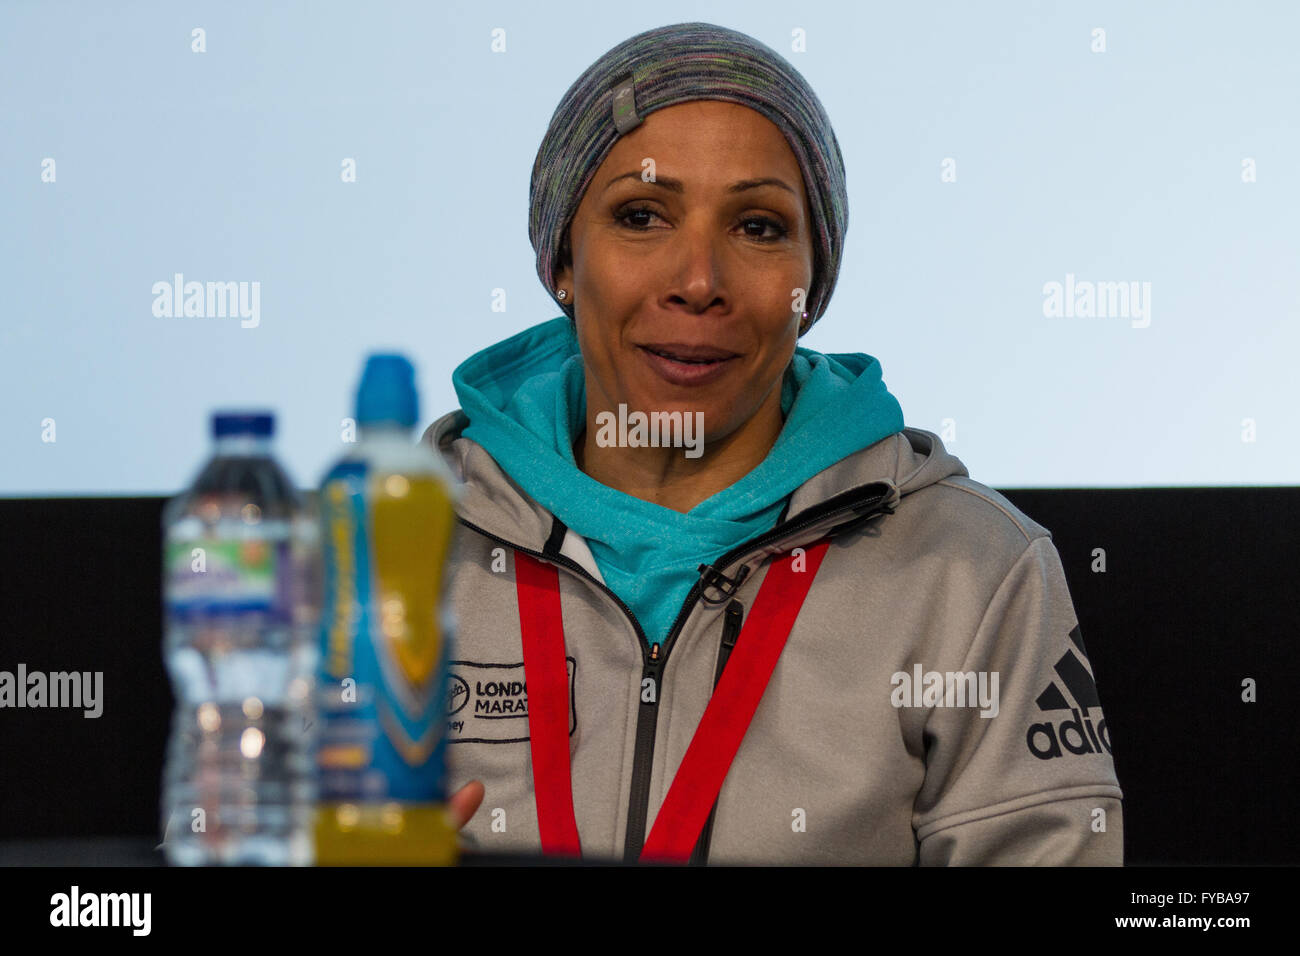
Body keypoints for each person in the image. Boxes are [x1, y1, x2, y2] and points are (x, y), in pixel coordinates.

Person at [428, 21, 1123, 865]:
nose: (698, 282)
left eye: (757, 227)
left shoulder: (974, 570)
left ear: (812, 283)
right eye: (642, 215)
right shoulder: (385, 551)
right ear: (562, 263)